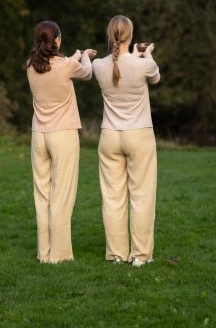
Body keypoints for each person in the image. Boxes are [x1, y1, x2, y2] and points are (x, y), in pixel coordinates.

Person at [92, 15, 160, 267]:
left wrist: (132, 54)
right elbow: (155, 77)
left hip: (109, 136)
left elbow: (117, 63)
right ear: (131, 36)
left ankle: (116, 254)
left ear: (110, 36)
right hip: (139, 135)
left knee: (112, 198)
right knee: (141, 196)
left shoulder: (98, 65)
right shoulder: (143, 65)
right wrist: (147, 53)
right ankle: (140, 255)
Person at [26, 20, 96, 263]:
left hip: (39, 137)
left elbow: (59, 63)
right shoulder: (67, 66)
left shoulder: (30, 66)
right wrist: (85, 55)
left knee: (42, 195)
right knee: (62, 195)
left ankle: (43, 252)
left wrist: (76, 55)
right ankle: (60, 254)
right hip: (63, 135)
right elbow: (86, 73)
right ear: (56, 40)